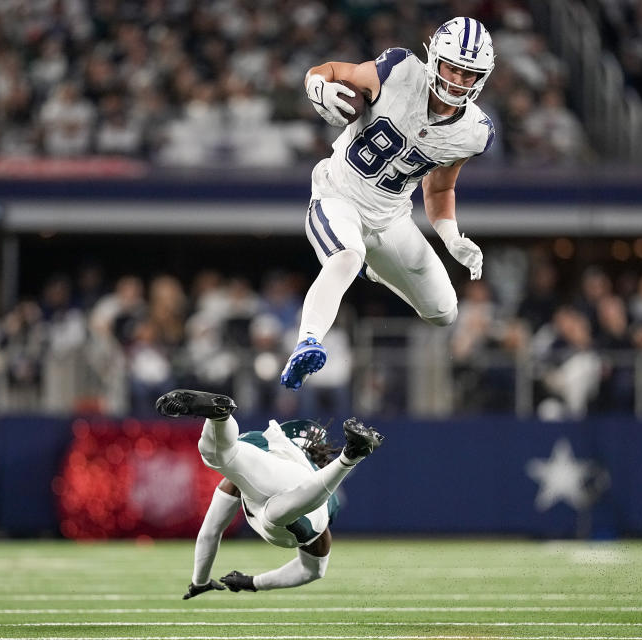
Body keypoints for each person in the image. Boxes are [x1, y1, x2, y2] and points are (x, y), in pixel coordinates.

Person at [280, 17, 496, 390]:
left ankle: (374, 266)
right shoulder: (397, 71)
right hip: (338, 196)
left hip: (392, 217)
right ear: (435, 59)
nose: (458, 80)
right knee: (345, 256)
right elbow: (327, 70)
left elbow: (440, 190)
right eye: (453, 68)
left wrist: (450, 234)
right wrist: (319, 88)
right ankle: (308, 342)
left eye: (468, 74)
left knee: (444, 312)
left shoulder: (473, 133)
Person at [154, 389, 383, 595]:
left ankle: (221, 418)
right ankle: (350, 457)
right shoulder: (315, 478)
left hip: (271, 465)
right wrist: (254, 582)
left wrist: (200, 580)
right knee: (275, 515)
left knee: (219, 455)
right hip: (304, 494)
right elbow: (312, 571)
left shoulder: (266, 445)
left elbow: (210, 532)